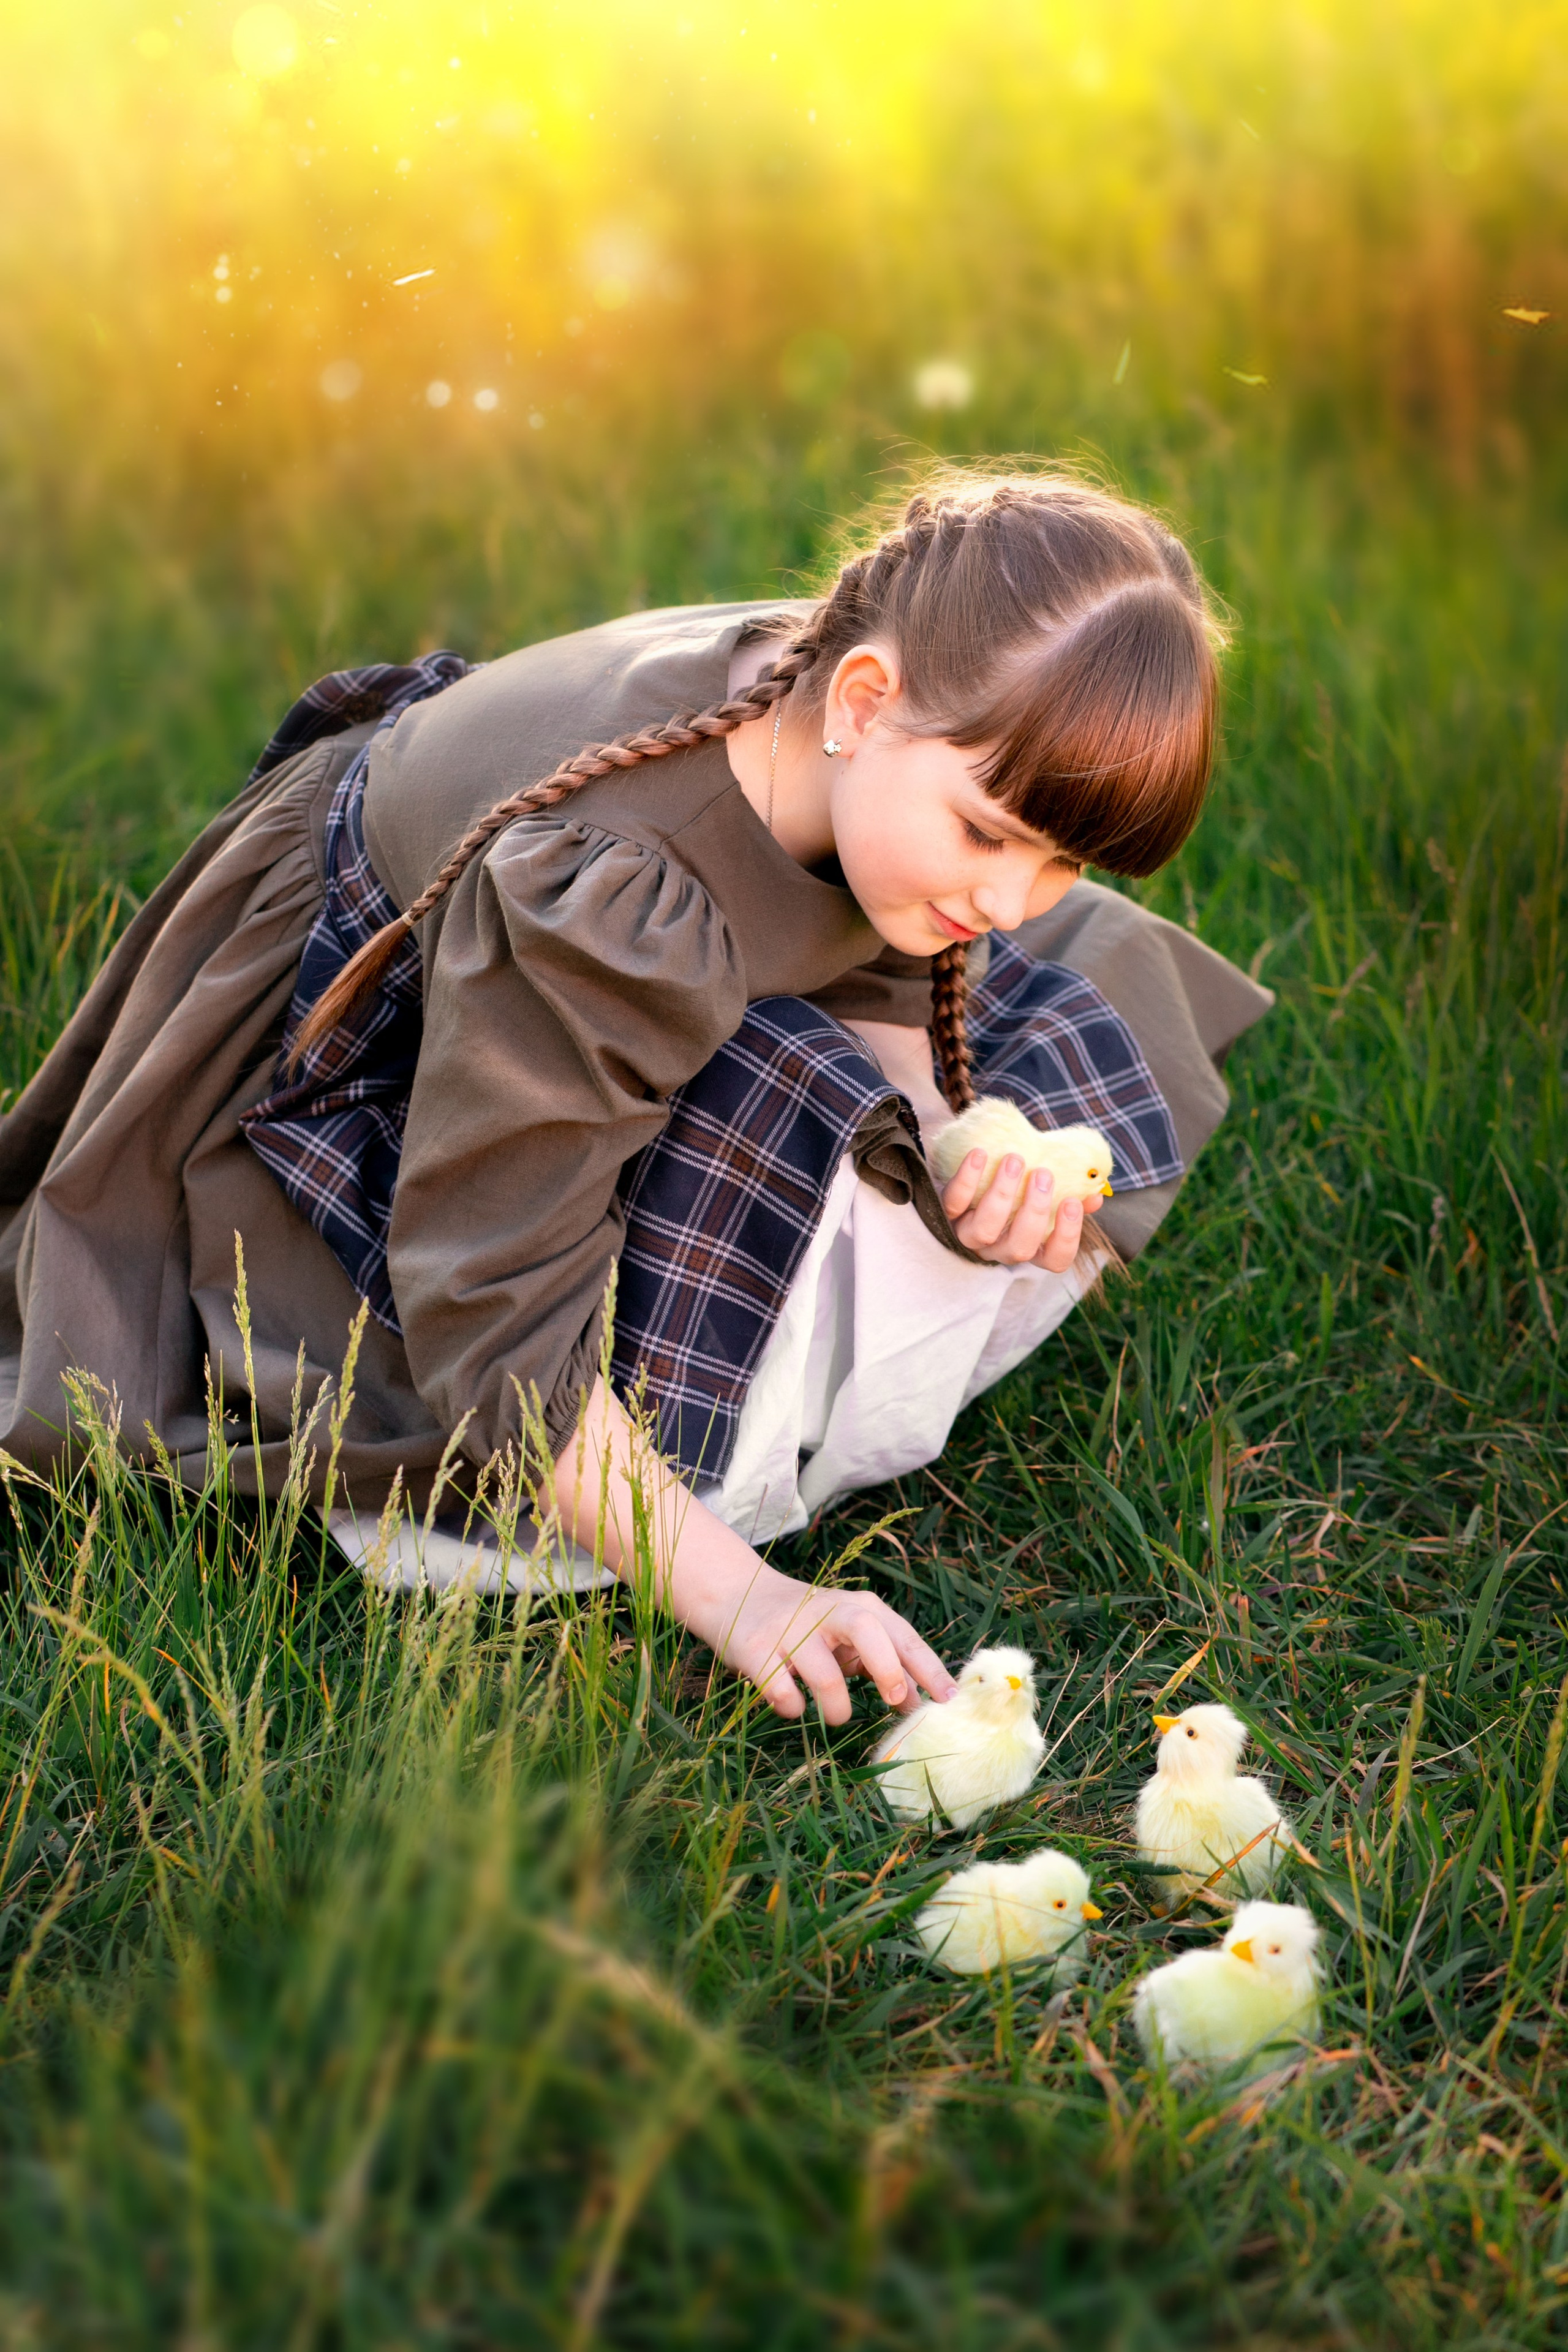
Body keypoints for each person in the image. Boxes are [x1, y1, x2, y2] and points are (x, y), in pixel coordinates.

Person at [0, 469, 1269, 1723]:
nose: (1004, 900)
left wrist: (951, 1143)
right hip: (385, 1029)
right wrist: (747, 1597)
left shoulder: (856, 737)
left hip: (580, 992)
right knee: (542, 1441)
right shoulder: (616, 901)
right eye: (988, 833)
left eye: (1060, 861)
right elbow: (492, 1303)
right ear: (862, 698)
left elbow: (878, 958)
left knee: (1050, 1018)